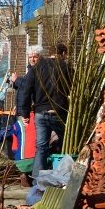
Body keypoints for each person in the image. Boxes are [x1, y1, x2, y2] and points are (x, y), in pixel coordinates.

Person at [25, 44, 71, 174]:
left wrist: (24, 113)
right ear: (63, 54)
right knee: (66, 142)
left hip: (40, 112)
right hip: (58, 112)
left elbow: (25, 90)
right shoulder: (66, 68)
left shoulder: (37, 68)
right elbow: (72, 88)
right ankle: (62, 174)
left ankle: (37, 178)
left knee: (41, 147)